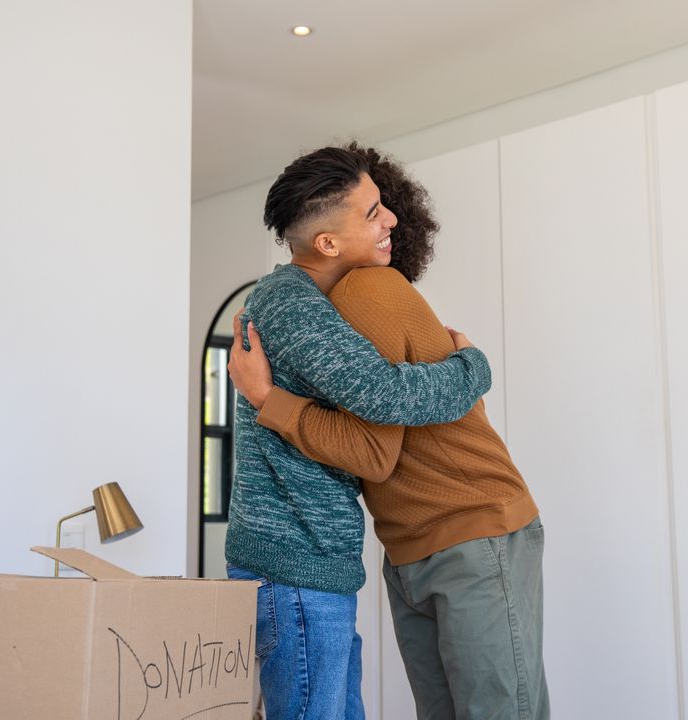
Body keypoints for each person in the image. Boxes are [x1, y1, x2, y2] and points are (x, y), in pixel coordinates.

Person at [229, 143, 549, 719]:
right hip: (323, 554)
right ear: (327, 242)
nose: (391, 219)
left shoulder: (349, 293)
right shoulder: (320, 300)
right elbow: (387, 405)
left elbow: (379, 417)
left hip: (430, 537)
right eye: (372, 211)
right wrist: (474, 367)